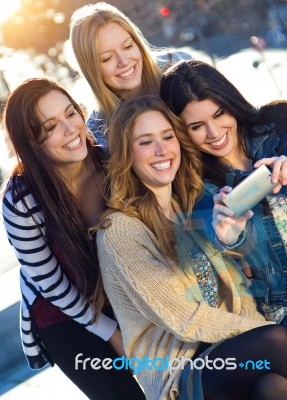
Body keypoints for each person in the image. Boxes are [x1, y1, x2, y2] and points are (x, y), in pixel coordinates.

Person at [95, 94, 287, 400]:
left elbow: (235, 293)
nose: (161, 150)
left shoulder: (189, 207)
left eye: (167, 136)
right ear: (126, 154)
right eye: (145, 142)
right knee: (277, 340)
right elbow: (186, 319)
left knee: (273, 389)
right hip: (181, 373)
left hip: (230, 355)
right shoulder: (118, 231)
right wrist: (263, 331)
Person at [1, 77, 145, 400]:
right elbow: (49, 284)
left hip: (124, 295)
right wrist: (112, 334)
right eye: (50, 127)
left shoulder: (109, 162)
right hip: (65, 317)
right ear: (30, 142)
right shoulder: (21, 200)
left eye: (71, 114)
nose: (70, 130)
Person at [160, 59, 287, 326]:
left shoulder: (279, 126)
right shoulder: (196, 196)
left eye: (219, 114)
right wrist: (226, 240)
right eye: (196, 127)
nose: (214, 133)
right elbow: (209, 293)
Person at [69, 1, 191, 151]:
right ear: (91, 70)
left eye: (128, 46)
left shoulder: (180, 66)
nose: (124, 61)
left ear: (137, 42)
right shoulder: (98, 135)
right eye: (107, 58)